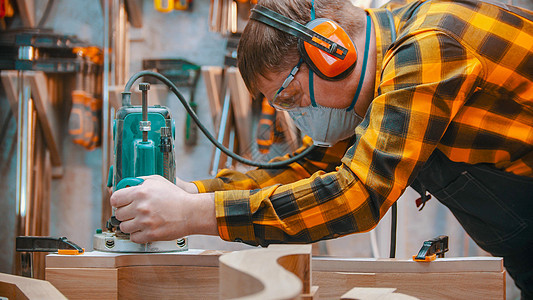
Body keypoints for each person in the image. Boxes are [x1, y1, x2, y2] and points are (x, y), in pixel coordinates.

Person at [110, 0, 533, 297]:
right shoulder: (384, 71)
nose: (295, 116)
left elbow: (356, 196)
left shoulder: (428, 47)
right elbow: (310, 169)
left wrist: (194, 217)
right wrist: (196, 193)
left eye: (289, 98)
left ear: (330, 52)